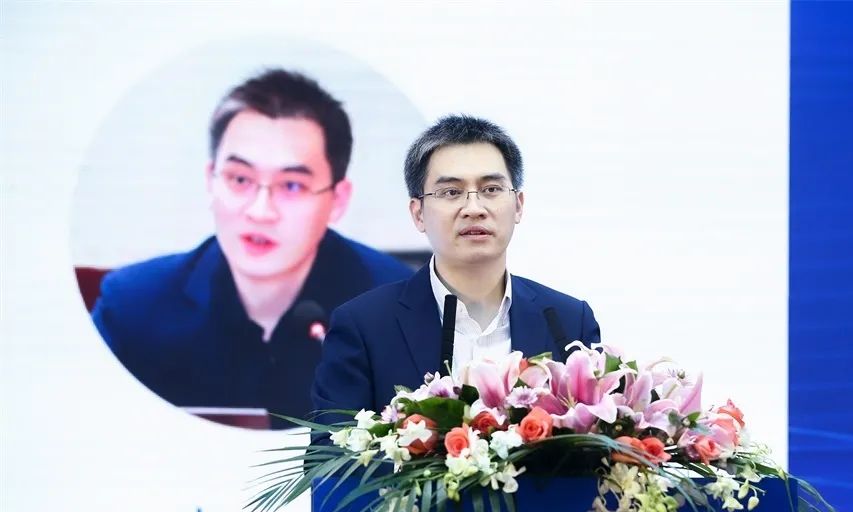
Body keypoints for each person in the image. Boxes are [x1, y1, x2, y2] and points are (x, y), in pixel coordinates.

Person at [90, 69, 414, 428]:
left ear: (337, 200)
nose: (260, 212)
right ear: (211, 180)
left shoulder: (397, 310)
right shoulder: (133, 307)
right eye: (240, 179)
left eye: (291, 185)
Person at [312, 115, 601, 418]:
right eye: (451, 192)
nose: (474, 209)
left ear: (518, 205)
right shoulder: (364, 326)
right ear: (418, 213)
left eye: (491, 189)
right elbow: (330, 447)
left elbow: (599, 438)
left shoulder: (568, 321)